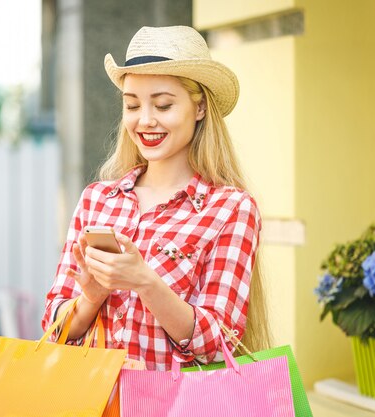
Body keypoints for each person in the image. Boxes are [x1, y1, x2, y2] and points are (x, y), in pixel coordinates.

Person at [42, 25, 269, 371]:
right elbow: (54, 327)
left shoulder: (230, 209)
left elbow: (220, 343)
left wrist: (145, 282)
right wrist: (91, 298)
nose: (145, 121)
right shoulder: (97, 200)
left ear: (200, 108)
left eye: (163, 105)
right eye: (132, 105)